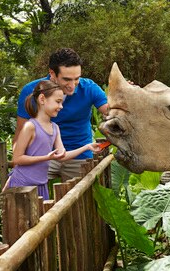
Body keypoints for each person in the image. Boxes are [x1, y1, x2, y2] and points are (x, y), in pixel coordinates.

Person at [14, 48, 109, 182]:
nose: (72, 85)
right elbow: (21, 130)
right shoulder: (31, 90)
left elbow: (110, 112)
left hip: (79, 155)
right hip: (43, 156)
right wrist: (18, 162)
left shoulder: (89, 88)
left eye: (77, 78)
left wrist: (124, 96)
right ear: (52, 73)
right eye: (67, 79)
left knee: (81, 200)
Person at [6, 80, 102, 199]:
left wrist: (87, 147)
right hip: (22, 184)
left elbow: (62, 155)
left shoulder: (55, 128)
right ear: (42, 99)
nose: (61, 107)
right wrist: (47, 158)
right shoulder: (30, 126)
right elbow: (17, 158)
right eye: (58, 102)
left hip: (41, 185)